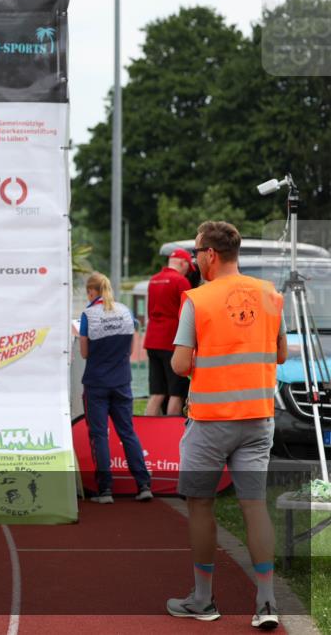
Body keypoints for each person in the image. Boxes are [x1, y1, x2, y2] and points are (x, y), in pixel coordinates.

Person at [166, 221, 286, 630]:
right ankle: (266, 602)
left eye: (197, 253)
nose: (196, 260)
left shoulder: (197, 300)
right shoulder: (271, 295)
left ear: (210, 255)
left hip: (211, 422)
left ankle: (203, 599)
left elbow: (181, 364)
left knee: (200, 505)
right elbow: (281, 353)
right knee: (254, 507)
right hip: (258, 419)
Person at [79, 272, 153, 504]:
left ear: (92, 292)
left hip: (96, 383)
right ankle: (143, 485)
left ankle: (106, 490)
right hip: (122, 381)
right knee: (127, 432)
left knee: (100, 435)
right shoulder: (125, 312)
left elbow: (84, 353)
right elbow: (131, 351)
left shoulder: (88, 315)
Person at [143, 249, 193, 416]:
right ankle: (171, 433)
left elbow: (150, 310)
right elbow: (187, 314)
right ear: (182, 263)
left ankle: (146, 432)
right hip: (171, 341)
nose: (188, 271)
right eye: (188, 267)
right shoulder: (181, 282)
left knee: (157, 393)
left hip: (152, 340)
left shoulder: (154, 280)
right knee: (176, 394)